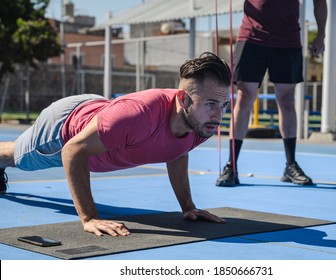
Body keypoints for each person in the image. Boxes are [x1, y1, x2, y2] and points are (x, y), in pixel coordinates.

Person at [0, 52, 231, 237]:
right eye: (211, 103)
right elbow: (72, 150)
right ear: (183, 99)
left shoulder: (202, 122)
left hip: (101, 113)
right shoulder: (140, 115)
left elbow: (178, 151)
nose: (219, 115)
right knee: (14, 158)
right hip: (64, 127)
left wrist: (188, 206)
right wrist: (89, 218)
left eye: (224, 104)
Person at [216, 0, 327, 187]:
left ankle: (290, 165)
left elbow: (320, 2)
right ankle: (231, 166)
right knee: (245, 98)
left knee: (287, 100)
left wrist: (321, 34)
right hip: (251, 39)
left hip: (288, 41)